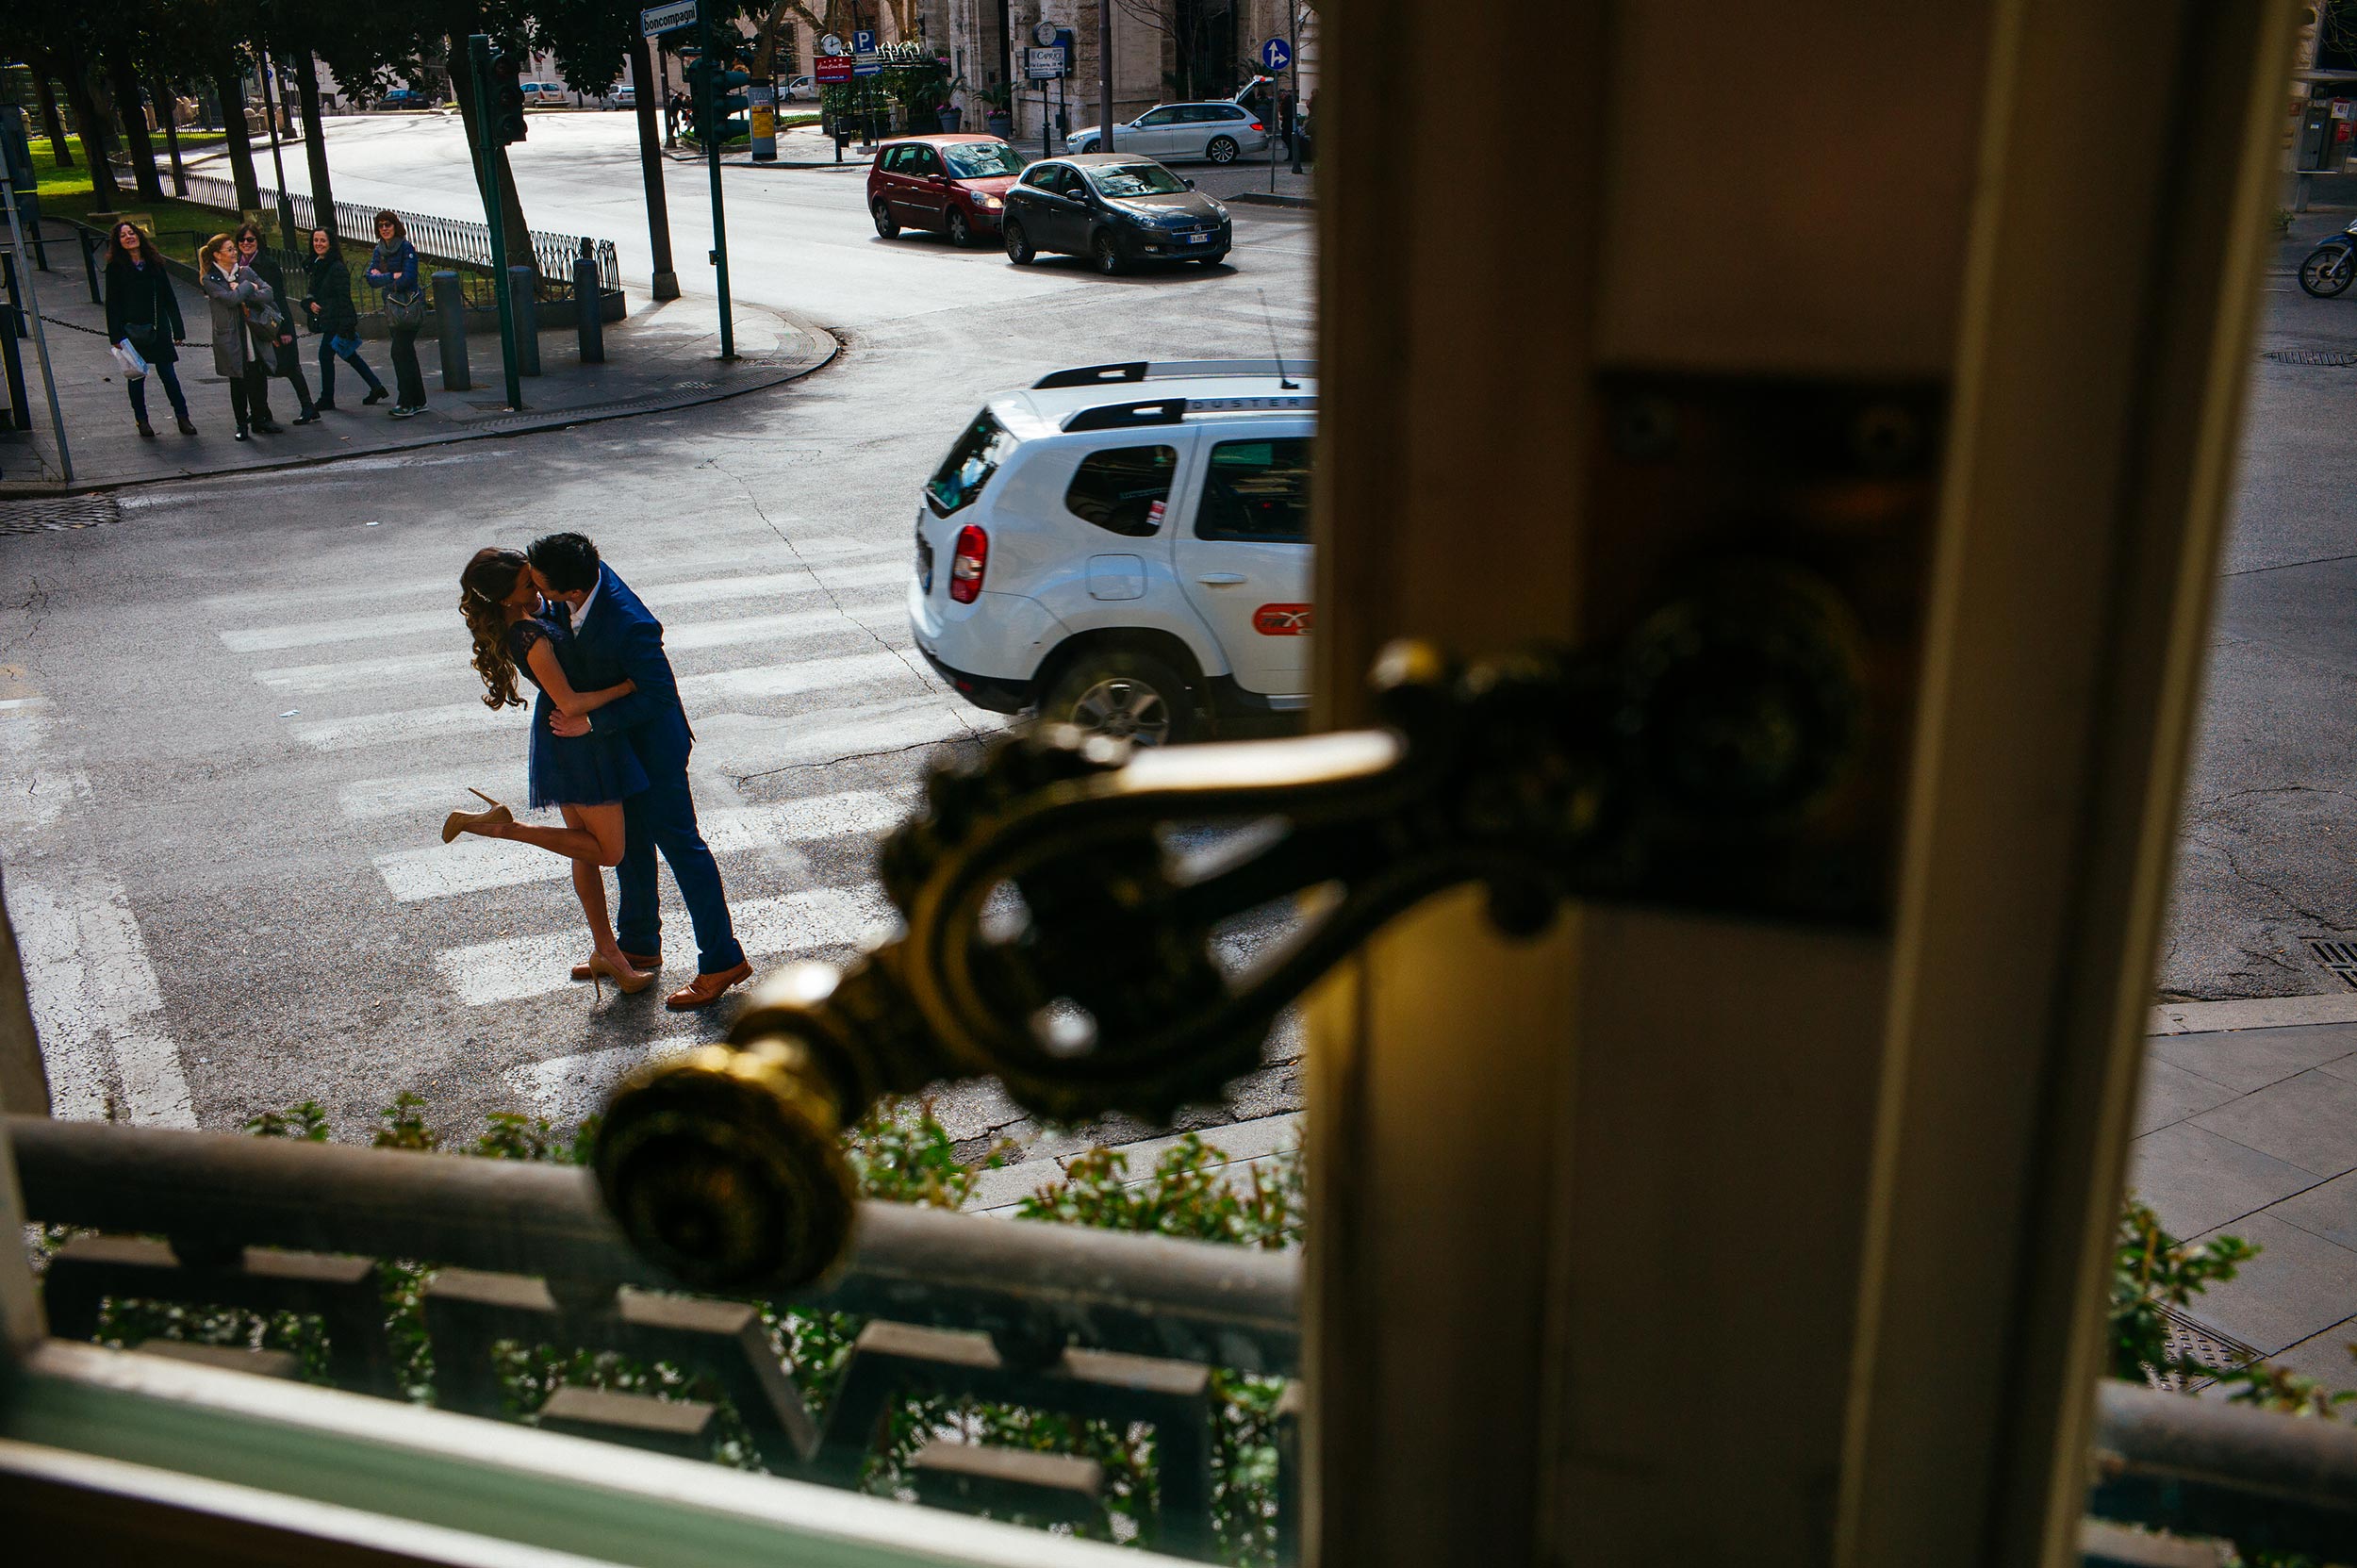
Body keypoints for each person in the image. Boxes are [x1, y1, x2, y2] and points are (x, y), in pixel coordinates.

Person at [527, 531, 753, 1011]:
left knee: (683, 850)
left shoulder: (630, 624)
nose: (534, 589)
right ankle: (639, 944)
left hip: (654, 751)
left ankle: (722, 960)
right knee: (629, 847)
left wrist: (591, 720)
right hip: (618, 751)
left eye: (540, 582)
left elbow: (658, 696)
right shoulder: (577, 593)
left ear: (569, 589)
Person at [445, 548, 658, 998]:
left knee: (583, 851)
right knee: (609, 852)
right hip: (578, 740)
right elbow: (572, 704)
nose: (539, 587)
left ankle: (607, 952)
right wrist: (626, 685)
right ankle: (507, 828)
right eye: (529, 584)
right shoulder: (529, 637)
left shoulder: (522, 618)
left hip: (565, 741)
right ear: (507, 598)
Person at [102, 221, 195, 437]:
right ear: (118, 242)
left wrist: (178, 329)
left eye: (131, 233)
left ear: (139, 236)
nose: (128, 237)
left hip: (158, 327)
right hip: (131, 330)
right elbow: (112, 302)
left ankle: (183, 417)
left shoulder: (154, 263)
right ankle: (142, 421)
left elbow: (169, 297)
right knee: (136, 377)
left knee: (169, 375)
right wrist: (115, 334)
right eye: (123, 235)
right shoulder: (116, 267)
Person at [233, 224, 321, 425]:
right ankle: (262, 411)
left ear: (258, 242)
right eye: (242, 240)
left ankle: (308, 406)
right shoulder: (237, 265)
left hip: (271, 321)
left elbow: (278, 297)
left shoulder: (267, 264)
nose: (246, 243)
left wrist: (284, 329)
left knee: (289, 365)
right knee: (259, 368)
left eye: (251, 240)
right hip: (253, 325)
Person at [198, 233, 281, 439]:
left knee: (258, 376)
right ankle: (241, 423)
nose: (234, 252)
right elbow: (231, 299)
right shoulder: (211, 279)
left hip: (253, 333)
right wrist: (247, 287)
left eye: (233, 249)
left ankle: (261, 418)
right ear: (217, 255)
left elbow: (269, 292)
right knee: (238, 381)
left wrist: (250, 290)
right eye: (229, 250)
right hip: (231, 337)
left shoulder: (246, 271)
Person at [302, 228, 388, 411]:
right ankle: (376, 386)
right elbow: (313, 292)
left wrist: (346, 324)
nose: (318, 244)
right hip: (328, 317)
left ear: (330, 243)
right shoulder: (317, 264)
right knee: (348, 353)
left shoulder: (336, 268)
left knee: (325, 356)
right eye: (316, 240)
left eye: (322, 241)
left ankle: (327, 398)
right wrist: (309, 303)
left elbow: (344, 298)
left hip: (337, 319)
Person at [363, 211, 428, 418]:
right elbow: (370, 278)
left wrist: (384, 280)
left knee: (399, 352)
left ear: (395, 226)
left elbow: (408, 278)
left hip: (408, 307)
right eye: (381, 225)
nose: (384, 228)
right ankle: (419, 400)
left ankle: (406, 401)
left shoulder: (406, 247)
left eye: (388, 225)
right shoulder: (379, 250)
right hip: (392, 308)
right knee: (406, 353)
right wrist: (392, 276)